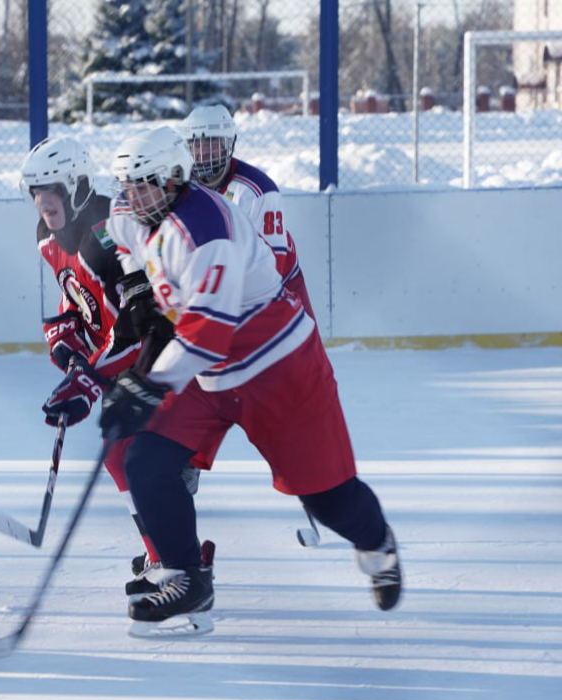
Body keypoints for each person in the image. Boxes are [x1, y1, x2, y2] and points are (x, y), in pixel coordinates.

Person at [102, 126, 401, 636]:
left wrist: (149, 385)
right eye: (126, 184)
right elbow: (117, 232)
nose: (131, 196)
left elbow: (207, 336)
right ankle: (186, 576)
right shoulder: (136, 206)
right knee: (145, 456)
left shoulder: (205, 232)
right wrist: (139, 294)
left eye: (143, 185)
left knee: (327, 499)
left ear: (174, 180)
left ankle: (378, 544)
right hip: (211, 374)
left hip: (277, 367)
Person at [20, 136, 196, 577]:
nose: (43, 200)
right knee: (124, 457)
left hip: (158, 350)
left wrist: (89, 377)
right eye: (35, 190)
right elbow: (76, 297)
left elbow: (140, 323)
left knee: (127, 455)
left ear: (76, 186)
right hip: (118, 357)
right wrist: (66, 340)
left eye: (52, 188)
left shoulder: (108, 234)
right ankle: (166, 552)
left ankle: (177, 561)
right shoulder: (47, 235)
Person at [178, 104, 313, 316]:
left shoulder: (259, 192)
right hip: (215, 295)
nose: (204, 152)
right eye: (197, 143)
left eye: (212, 142)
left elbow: (271, 270)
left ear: (227, 144)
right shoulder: (181, 188)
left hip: (277, 298)